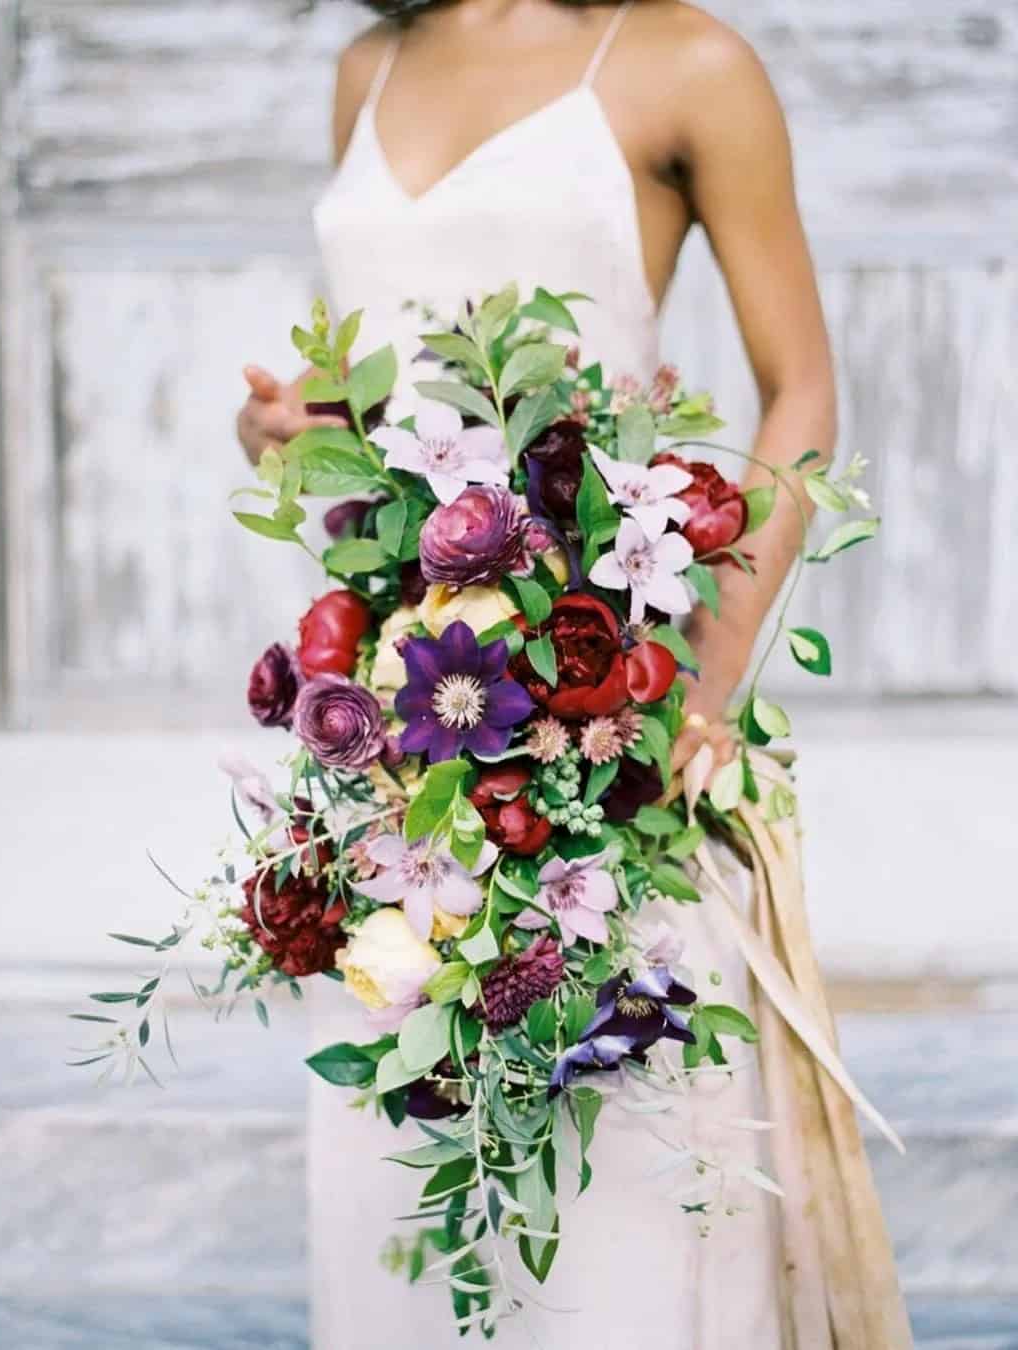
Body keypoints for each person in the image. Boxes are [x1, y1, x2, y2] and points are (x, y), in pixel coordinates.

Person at [234, 4, 910, 1346]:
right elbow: (361, 409)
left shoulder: (684, 62)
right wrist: (280, 430)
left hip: (599, 731)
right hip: (403, 744)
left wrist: (695, 697)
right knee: (402, 1179)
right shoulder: (368, 68)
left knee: (621, 1202)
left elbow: (805, 391)